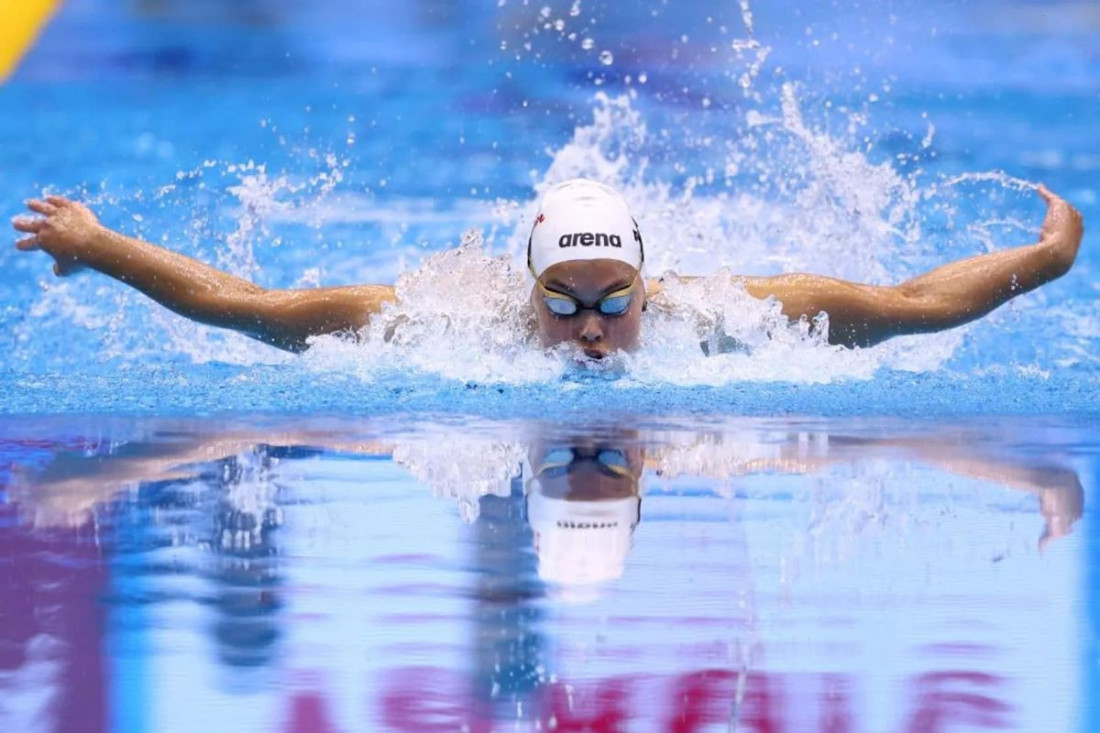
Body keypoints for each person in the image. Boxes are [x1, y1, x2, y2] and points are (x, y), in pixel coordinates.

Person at [11, 178, 1084, 356]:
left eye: (614, 300)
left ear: (649, 286)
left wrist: (1044, 262)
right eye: (562, 304)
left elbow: (904, 306)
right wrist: (97, 246)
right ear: (524, 289)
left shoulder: (727, 317)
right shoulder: (443, 325)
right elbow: (252, 306)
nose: (590, 329)